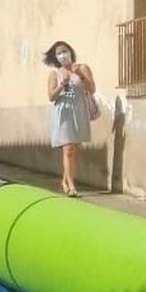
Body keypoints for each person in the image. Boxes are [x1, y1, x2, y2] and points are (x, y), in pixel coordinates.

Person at [42, 40, 97, 197]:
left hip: (79, 110)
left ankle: (65, 180)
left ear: (70, 52)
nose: (63, 55)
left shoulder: (82, 68)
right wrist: (62, 84)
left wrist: (79, 75)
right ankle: (71, 185)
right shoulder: (55, 74)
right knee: (68, 149)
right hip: (63, 112)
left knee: (76, 149)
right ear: (55, 57)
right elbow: (51, 96)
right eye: (59, 53)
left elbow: (92, 89)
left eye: (64, 51)